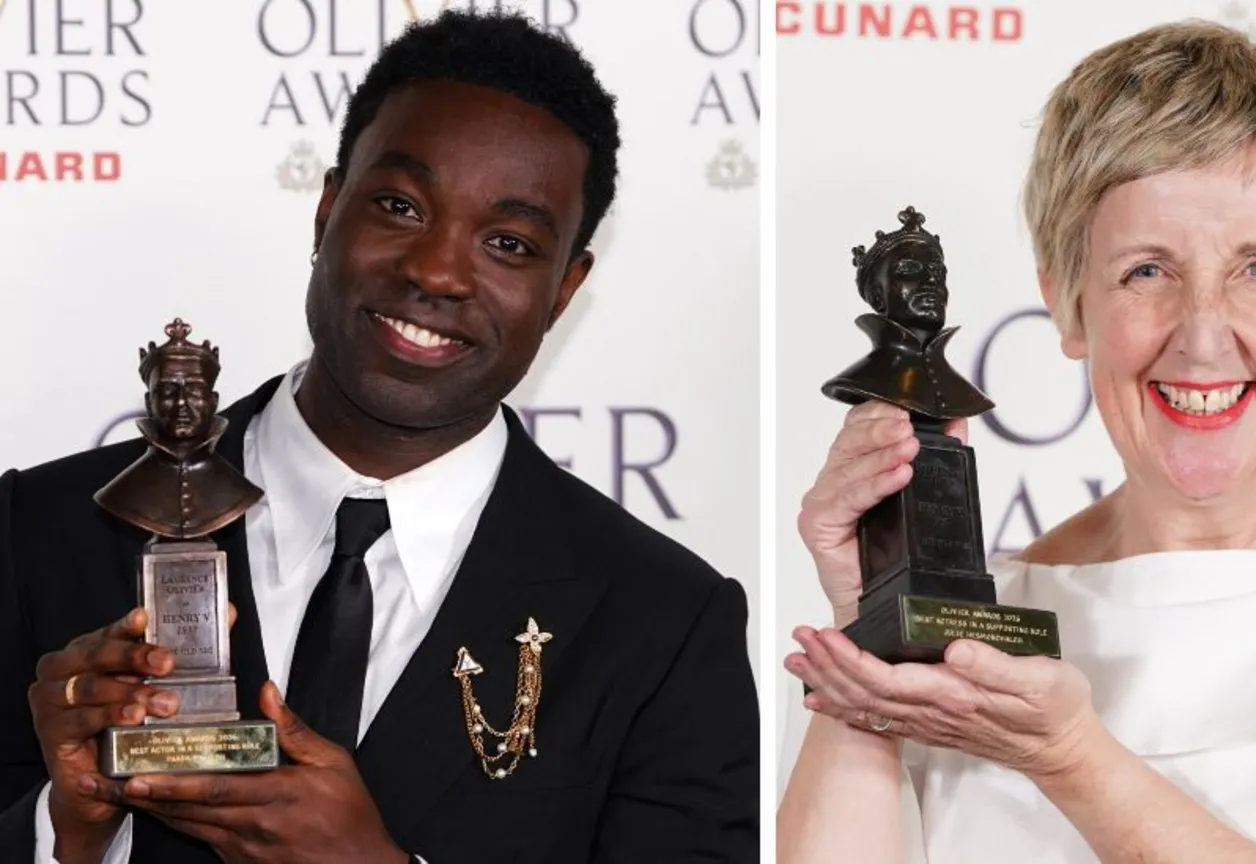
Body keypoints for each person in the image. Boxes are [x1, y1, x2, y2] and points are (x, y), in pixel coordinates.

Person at [0, 10, 758, 864]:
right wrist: (63, 830)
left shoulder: (662, 626)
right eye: (400, 206)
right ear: (327, 210)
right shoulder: (40, 533)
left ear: (564, 289)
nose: (434, 271)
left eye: (508, 243)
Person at [778, 20, 1256, 864]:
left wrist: (1071, 759)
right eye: (1147, 270)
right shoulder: (975, 609)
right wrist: (868, 613)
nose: (1203, 337)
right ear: (1066, 301)